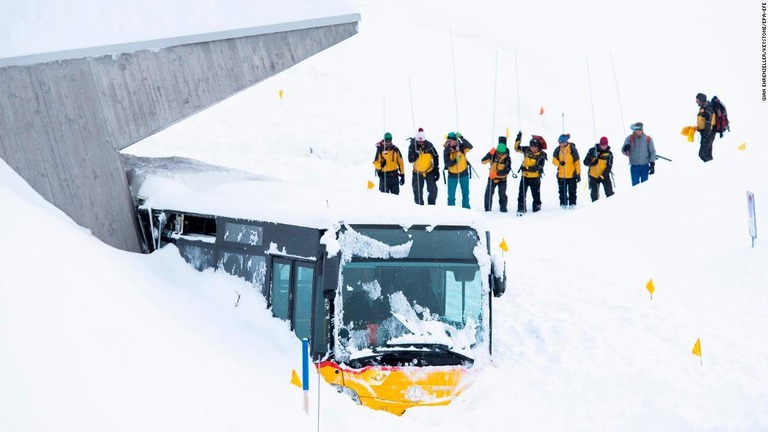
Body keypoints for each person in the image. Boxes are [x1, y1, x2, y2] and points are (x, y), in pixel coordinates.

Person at [513, 131, 547, 214]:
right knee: (521, 194)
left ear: (538, 147)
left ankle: (537, 208)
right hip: (524, 176)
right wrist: (518, 139)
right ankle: (521, 208)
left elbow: (538, 167)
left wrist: (526, 167)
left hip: (535, 177)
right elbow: (517, 148)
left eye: (534, 146)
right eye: (531, 146)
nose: (532, 148)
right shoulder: (526, 149)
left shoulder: (542, 154)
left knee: (536, 194)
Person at [407, 127, 440, 205]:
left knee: (433, 191)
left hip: (429, 172)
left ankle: (431, 206)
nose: (421, 143)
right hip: (417, 173)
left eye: (422, 142)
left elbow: (436, 156)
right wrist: (414, 156)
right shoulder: (412, 146)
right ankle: (419, 208)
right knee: (417, 192)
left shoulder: (429, 146)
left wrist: (436, 169)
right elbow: (410, 160)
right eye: (419, 142)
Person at [481, 136, 512, 212]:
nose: (500, 154)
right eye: (499, 153)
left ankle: (503, 207)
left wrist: (497, 173)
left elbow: (507, 170)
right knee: (488, 194)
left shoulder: (507, 158)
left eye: (502, 153)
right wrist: (489, 154)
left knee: (502, 194)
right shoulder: (492, 155)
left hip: (502, 179)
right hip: (492, 179)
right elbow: (483, 162)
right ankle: (487, 208)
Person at [443, 131, 473, 209]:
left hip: (464, 173)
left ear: (455, 140)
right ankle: (451, 211)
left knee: (465, 194)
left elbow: (470, 146)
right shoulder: (446, 150)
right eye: (448, 140)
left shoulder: (462, 147)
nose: (449, 142)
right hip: (452, 175)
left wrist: (462, 137)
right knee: (451, 196)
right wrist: (455, 161)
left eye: (450, 141)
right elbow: (447, 163)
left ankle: (466, 209)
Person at [552, 133, 581, 208]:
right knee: (562, 192)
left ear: (565, 142)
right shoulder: (557, 149)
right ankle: (563, 205)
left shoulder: (572, 149)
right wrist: (559, 163)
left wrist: (578, 174)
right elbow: (554, 161)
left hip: (572, 175)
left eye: (561, 142)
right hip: (561, 175)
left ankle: (572, 205)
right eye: (559, 142)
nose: (560, 144)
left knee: (572, 191)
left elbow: (577, 162)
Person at [583, 136, 614, 202]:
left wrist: (603, 175)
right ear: (600, 144)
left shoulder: (609, 154)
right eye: (602, 145)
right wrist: (593, 161)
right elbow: (585, 162)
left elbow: (609, 166)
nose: (604, 147)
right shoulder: (592, 151)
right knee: (594, 196)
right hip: (593, 176)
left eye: (605, 145)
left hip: (604, 176)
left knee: (610, 193)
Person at [695, 92, 716, 162]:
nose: (696, 102)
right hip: (705, 133)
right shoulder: (703, 107)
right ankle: (710, 167)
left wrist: (706, 135)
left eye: (697, 100)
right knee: (707, 153)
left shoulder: (708, 109)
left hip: (708, 133)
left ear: (701, 100)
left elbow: (708, 123)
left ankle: (709, 167)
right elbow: (703, 121)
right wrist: (698, 128)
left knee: (702, 154)